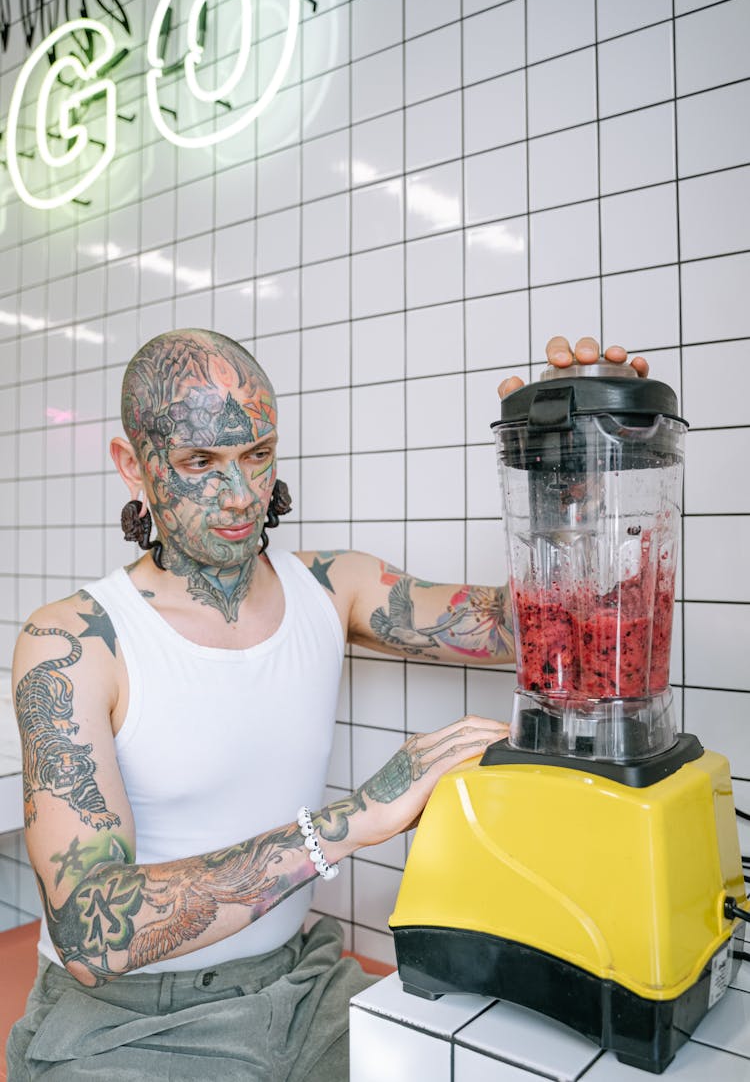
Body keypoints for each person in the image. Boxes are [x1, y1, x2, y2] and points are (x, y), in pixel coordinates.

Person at [7, 331, 648, 1080]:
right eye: (200, 464)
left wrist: (568, 465)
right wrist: (350, 822)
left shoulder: (332, 584)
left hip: (301, 988)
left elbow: (538, 626)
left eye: (257, 454)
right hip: (126, 1024)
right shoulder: (74, 642)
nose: (242, 495)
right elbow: (90, 931)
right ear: (133, 466)